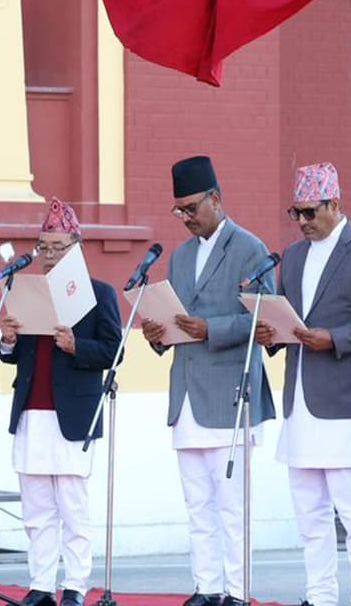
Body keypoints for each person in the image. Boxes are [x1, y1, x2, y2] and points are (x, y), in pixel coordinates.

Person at [256, 162, 351, 606]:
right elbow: (290, 320)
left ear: (335, 204)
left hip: (342, 400)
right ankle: (320, 596)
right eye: (295, 213)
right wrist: (270, 335)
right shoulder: (293, 255)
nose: (302, 222)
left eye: (310, 213)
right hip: (299, 397)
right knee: (309, 510)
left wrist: (333, 338)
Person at [140, 156, 275, 606]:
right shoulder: (179, 257)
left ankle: (237, 591)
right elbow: (176, 321)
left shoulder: (250, 248)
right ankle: (207, 586)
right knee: (198, 504)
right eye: (179, 210)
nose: (185, 218)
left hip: (229, 393)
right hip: (186, 395)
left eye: (191, 207)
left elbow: (265, 317)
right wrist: (158, 335)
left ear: (216, 199)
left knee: (232, 507)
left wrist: (210, 329)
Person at [0, 198, 121, 606]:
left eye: (57, 247)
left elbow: (113, 352)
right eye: (43, 246)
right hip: (32, 409)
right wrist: (9, 341)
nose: (48, 255)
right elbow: (14, 354)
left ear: (76, 246)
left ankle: (76, 585)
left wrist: (76, 346)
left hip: (73, 413)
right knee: (36, 506)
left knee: (72, 505)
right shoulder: (30, 289)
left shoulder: (98, 293)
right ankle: (41, 584)